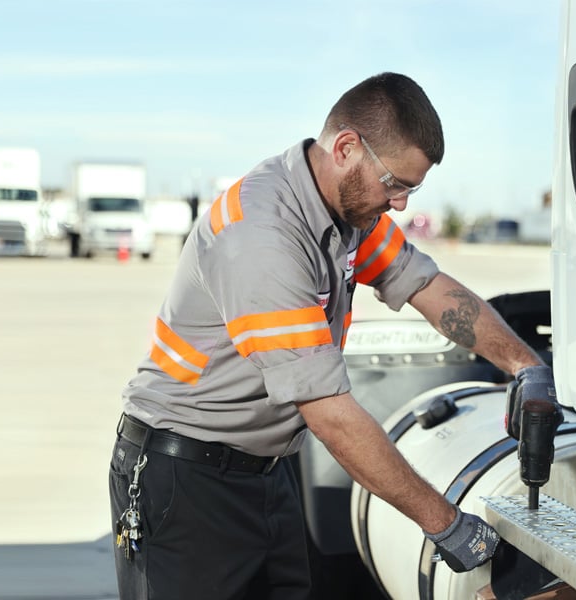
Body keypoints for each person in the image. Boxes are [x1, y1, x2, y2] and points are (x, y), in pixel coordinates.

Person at [108, 72, 553, 600]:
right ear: (346, 147)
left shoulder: (347, 215)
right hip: (184, 481)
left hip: (268, 472)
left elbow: (428, 287)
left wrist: (527, 366)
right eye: (396, 184)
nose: (401, 204)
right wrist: (448, 526)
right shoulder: (263, 236)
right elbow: (331, 415)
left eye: (412, 188)